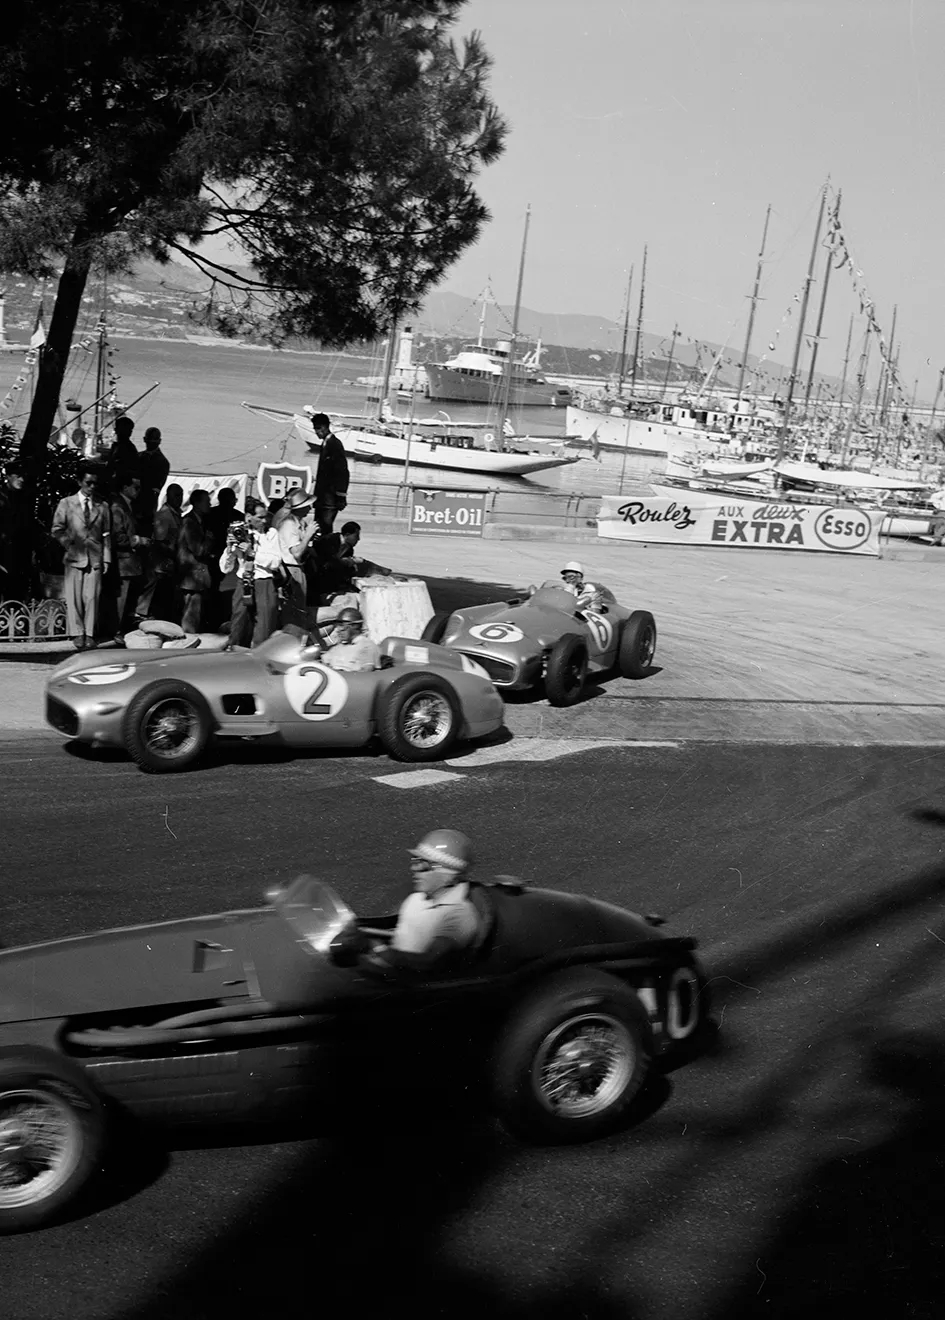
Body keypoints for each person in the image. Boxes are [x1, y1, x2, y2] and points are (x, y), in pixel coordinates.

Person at [381, 830, 480, 969]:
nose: (414, 868)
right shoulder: (414, 900)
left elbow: (428, 963)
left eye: (424, 865)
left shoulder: (460, 915)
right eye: (415, 861)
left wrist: (377, 950)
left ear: (449, 874)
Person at [51, 464, 113, 648]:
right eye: (88, 483)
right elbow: (56, 528)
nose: (92, 487)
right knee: (74, 597)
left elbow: (107, 534)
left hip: (95, 557)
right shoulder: (66, 503)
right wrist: (69, 543)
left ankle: (90, 632)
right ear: (79, 482)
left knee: (92, 597)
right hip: (74, 556)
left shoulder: (103, 506)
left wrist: (107, 558)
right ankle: (77, 633)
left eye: (95, 483)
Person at [105, 470, 150, 639]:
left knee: (127, 600)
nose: (138, 491)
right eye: (135, 487)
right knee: (120, 601)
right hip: (123, 562)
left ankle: (120, 630)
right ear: (125, 487)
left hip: (130, 563)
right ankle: (115, 631)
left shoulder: (128, 506)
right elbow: (118, 537)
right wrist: (138, 540)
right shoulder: (118, 507)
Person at [135, 482, 184, 622]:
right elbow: (159, 542)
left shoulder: (176, 514)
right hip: (161, 564)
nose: (179, 499)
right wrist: (175, 555)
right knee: (157, 599)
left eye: (180, 495)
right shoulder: (164, 515)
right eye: (176, 495)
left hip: (170, 564)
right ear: (168, 496)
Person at [310, 520, 392, 601]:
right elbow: (327, 562)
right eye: (356, 536)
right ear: (347, 535)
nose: (358, 539)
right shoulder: (330, 540)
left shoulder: (349, 549)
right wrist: (350, 561)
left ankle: (385, 572)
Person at [272, 486, 318, 613]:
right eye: (308, 505)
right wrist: (308, 535)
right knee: (296, 609)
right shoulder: (289, 524)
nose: (310, 508)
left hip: (297, 569)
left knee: (299, 606)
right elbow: (296, 553)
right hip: (291, 570)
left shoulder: (298, 523)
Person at [177, 489, 214, 633]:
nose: (210, 504)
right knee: (191, 613)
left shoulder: (199, 522)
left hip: (196, 575)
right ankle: (188, 641)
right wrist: (210, 538)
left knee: (194, 611)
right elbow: (198, 549)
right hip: (192, 575)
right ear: (197, 503)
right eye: (206, 501)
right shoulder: (190, 522)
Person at [311, 412, 350, 535]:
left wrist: (341, 495)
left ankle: (325, 552)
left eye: (318, 428)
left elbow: (342, 471)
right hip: (323, 496)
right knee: (319, 527)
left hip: (330, 497)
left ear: (325, 427)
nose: (316, 432)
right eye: (315, 429)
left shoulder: (334, 444)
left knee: (325, 527)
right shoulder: (325, 443)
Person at [0, 460, 33, 603]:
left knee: (16, 598)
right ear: (8, 476)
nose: (22, 479)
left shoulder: (25, 499)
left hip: (20, 557)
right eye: (18, 475)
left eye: (23, 476)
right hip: (2, 555)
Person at [320, 606, 380, 672]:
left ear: (355, 626)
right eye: (338, 625)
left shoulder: (367, 646)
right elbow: (322, 662)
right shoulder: (338, 647)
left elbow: (367, 673)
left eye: (342, 625)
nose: (338, 629)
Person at [137, 427, 170, 524]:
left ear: (159, 441)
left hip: (148, 504)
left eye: (154, 440)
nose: (151, 442)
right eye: (149, 440)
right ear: (144, 440)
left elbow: (156, 488)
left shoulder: (163, 462)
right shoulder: (138, 457)